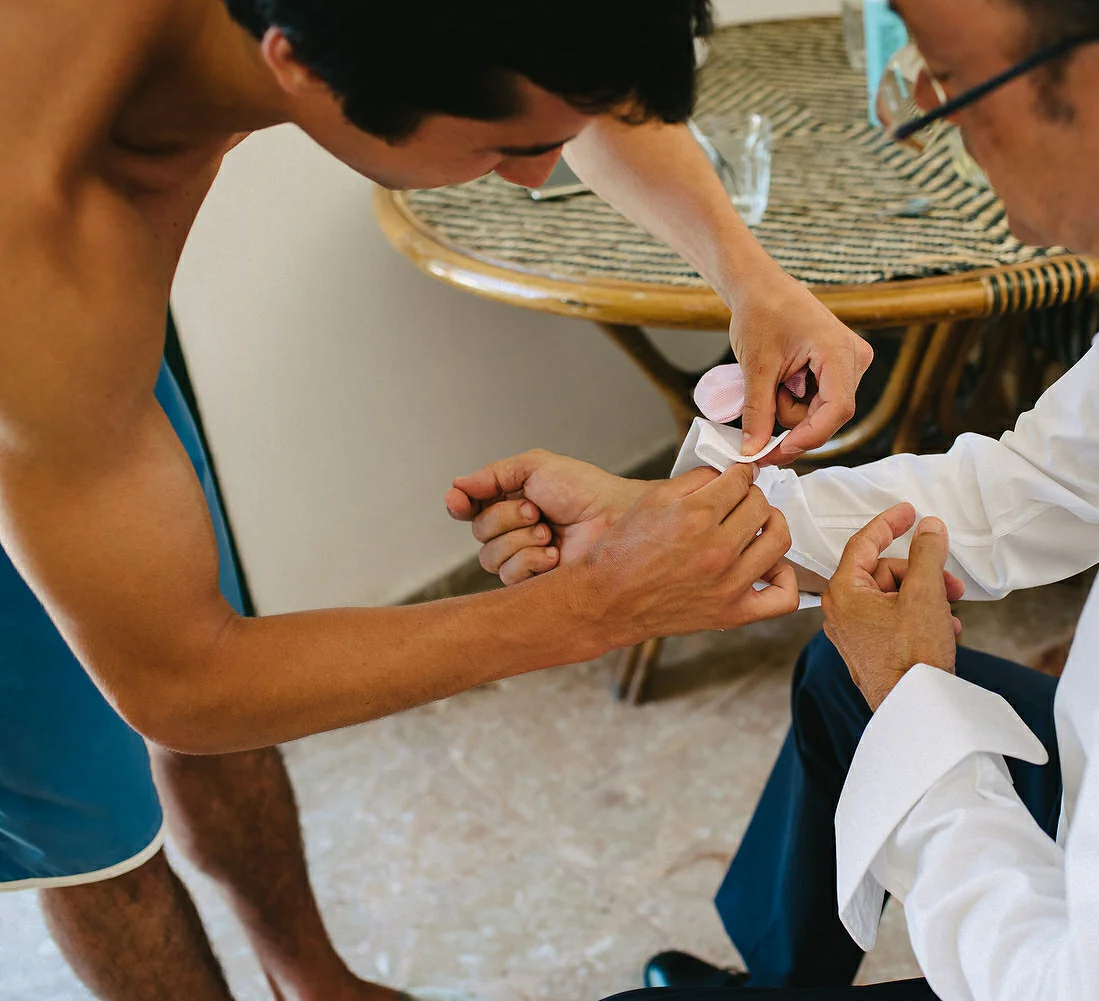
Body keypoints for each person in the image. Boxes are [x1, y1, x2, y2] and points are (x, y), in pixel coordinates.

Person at [456, 0, 1099, 997]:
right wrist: (687, 520)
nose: (921, 118)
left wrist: (916, 701)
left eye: (947, 75)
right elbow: (1033, 480)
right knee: (840, 676)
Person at [0, 0, 873, 998]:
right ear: (297, 66)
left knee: (201, 608)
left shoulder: (296, 43)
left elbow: (570, 70)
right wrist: (593, 607)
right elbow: (183, 680)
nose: (544, 173)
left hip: (75, 359)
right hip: (30, 339)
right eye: (509, 147)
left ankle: (314, 978)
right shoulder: (42, 259)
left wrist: (751, 278)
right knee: (88, 810)